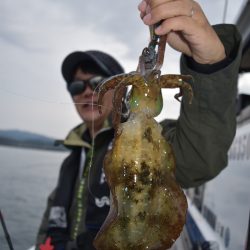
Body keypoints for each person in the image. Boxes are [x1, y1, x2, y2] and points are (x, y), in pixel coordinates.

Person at [35, 0, 242, 249]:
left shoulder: (154, 139)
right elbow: (51, 222)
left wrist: (210, 64)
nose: (87, 92)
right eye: (76, 86)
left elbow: (202, 156)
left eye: (98, 82)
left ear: (120, 87)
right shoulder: (73, 158)